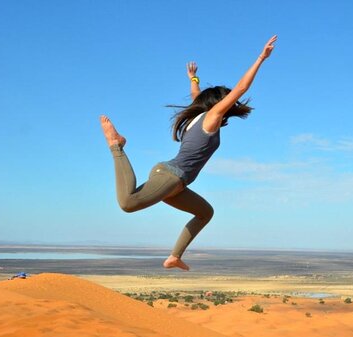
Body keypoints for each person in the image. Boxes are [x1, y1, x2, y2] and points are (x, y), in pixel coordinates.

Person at [100, 36, 277, 271]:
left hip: (176, 183)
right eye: (226, 102)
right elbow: (241, 88)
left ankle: (174, 256)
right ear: (217, 104)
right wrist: (261, 58)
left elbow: (196, 95)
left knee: (206, 213)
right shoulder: (212, 117)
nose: (230, 105)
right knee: (128, 203)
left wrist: (193, 78)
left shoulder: (197, 116)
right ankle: (117, 146)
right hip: (170, 176)